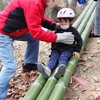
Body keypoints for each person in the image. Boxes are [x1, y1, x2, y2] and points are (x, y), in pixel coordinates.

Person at [0, 0, 76, 99]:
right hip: (3, 32)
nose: (52, 5)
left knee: (32, 38)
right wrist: (58, 37)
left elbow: (40, 19)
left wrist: (56, 26)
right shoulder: (33, 3)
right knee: (10, 67)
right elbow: (36, 32)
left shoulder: (40, 3)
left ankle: (29, 63)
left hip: (15, 31)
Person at [37, 8, 83, 79]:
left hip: (67, 49)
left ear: (71, 21)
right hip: (57, 49)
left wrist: (76, 50)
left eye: (65, 21)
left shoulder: (73, 31)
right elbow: (53, 40)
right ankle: (48, 70)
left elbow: (80, 40)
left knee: (63, 57)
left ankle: (60, 69)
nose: (63, 23)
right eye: (61, 21)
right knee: (53, 58)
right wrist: (53, 50)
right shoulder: (57, 30)